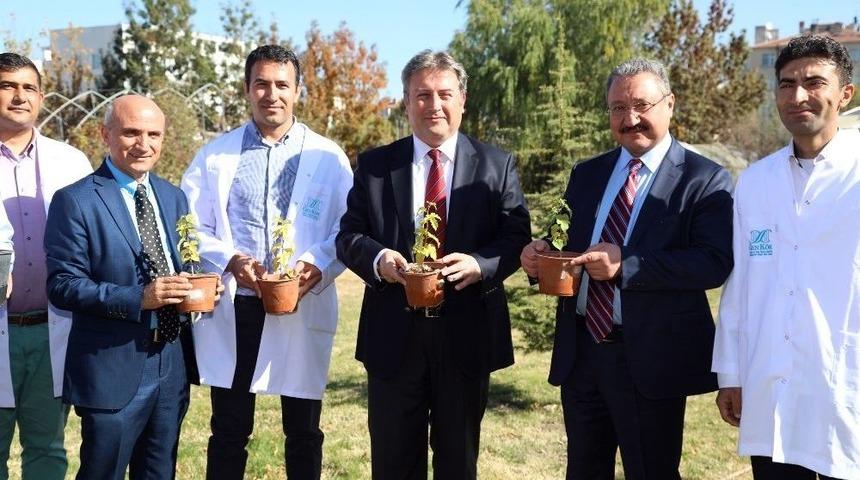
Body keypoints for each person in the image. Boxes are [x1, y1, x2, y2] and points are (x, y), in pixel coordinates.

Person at [520, 58, 734, 480]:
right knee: (583, 470)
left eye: (641, 104)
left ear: (669, 104)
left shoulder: (704, 179)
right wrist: (540, 255)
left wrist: (626, 266)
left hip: (651, 358)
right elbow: (564, 241)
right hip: (582, 353)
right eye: (618, 108)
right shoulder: (587, 173)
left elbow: (713, 263)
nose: (630, 118)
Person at [336, 49, 531, 480]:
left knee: (458, 462)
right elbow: (348, 236)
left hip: (466, 334)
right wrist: (382, 259)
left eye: (445, 94)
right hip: (393, 338)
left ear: (463, 99)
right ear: (406, 103)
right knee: (392, 462)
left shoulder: (498, 166)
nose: (434, 105)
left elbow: (516, 235)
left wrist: (480, 264)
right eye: (421, 95)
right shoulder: (374, 166)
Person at [181, 44, 353, 480]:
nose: (271, 94)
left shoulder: (328, 158)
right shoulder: (215, 156)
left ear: (297, 91)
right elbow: (190, 223)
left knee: (303, 429)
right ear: (247, 89)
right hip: (238, 305)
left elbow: (348, 227)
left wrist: (316, 264)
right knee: (229, 429)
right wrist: (231, 259)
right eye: (261, 84)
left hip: (301, 299)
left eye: (282, 84)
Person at [713, 34, 859, 480]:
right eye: (786, 84)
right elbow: (739, 287)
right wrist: (730, 374)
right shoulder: (756, 182)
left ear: (845, 94)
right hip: (771, 387)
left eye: (814, 82)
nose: (798, 96)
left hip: (843, 385)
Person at [45, 95, 208, 480]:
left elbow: (186, 258)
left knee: (159, 472)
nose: (144, 144)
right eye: (131, 132)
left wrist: (197, 286)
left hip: (171, 364)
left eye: (154, 134)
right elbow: (63, 286)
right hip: (111, 369)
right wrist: (140, 297)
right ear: (106, 134)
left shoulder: (173, 197)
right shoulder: (76, 200)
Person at [0, 52, 92, 480]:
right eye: (8, 86)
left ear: (41, 97)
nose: (20, 96)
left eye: (29, 88)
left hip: (50, 329)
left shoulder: (71, 162)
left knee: (47, 451)